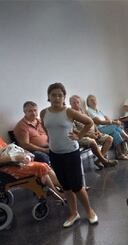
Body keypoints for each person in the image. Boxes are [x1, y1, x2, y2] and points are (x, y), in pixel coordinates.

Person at [40, 83, 98, 228]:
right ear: (48, 96)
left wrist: (79, 135)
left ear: (64, 97)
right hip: (55, 154)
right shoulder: (43, 113)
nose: (57, 98)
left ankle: (89, 212)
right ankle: (73, 213)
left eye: (60, 95)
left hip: (70, 153)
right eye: (53, 95)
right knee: (66, 186)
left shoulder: (68, 112)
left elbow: (89, 122)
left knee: (77, 186)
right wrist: (52, 140)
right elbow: (46, 128)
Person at [69, 95, 118, 169]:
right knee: (92, 142)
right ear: (70, 104)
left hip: (93, 133)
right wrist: (89, 135)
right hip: (82, 136)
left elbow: (92, 123)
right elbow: (74, 131)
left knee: (109, 138)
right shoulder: (71, 115)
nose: (76, 104)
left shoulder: (83, 112)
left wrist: (97, 131)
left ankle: (99, 160)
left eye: (78, 102)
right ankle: (104, 161)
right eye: (74, 103)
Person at [86, 94, 128, 160]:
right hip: (99, 130)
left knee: (115, 133)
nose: (94, 101)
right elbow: (99, 122)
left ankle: (120, 154)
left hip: (107, 128)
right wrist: (113, 122)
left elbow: (108, 119)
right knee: (115, 125)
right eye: (91, 100)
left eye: (94, 100)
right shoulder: (89, 111)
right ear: (88, 103)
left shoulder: (99, 111)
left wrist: (113, 121)